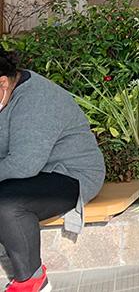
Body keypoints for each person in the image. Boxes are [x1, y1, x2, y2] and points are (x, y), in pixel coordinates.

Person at [0, 49, 106, 292]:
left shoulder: (37, 100)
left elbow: (23, 164)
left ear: (3, 82)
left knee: (6, 204)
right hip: (31, 175)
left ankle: (32, 282)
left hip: (70, 175)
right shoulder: (5, 95)